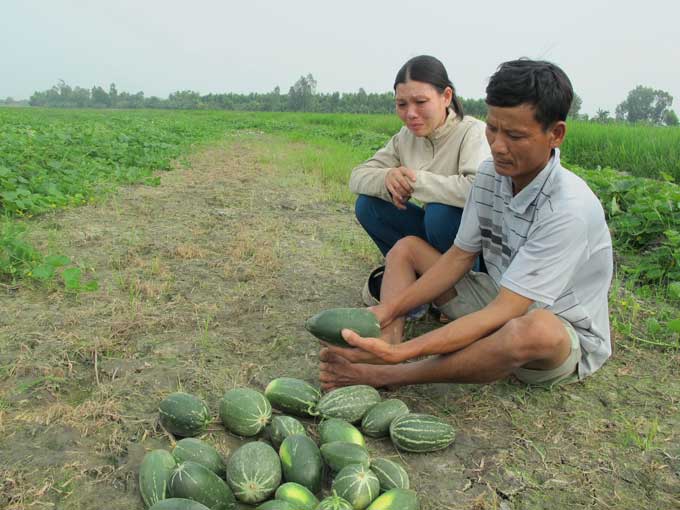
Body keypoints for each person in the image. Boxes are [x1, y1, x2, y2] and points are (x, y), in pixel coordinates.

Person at [320, 59, 613, 390]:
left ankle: (391, 372)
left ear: (555, 134)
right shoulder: (490, 175)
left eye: (515, 135)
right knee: (406, 250)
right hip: (499, 295)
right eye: (493, 128)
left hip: (553, 334)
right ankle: (385, 340)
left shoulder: (567, 207)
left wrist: (405, 354)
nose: (498, 146)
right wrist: (386, 312)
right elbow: (459, 257)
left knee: (533, 328)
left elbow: (506, 311)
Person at [349, 55, 490, 308]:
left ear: (446, 97)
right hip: (432, 239)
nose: (410, 113)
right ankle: (416, 284)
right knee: (367, 206)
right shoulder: (405, 137)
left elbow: (477, 189)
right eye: (401, 104)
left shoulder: (472, 132)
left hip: (470, 249)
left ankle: (463, 294)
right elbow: (357, 176)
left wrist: (414, 182)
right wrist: (388, 177)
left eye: (420, 102)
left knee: (440, 213)